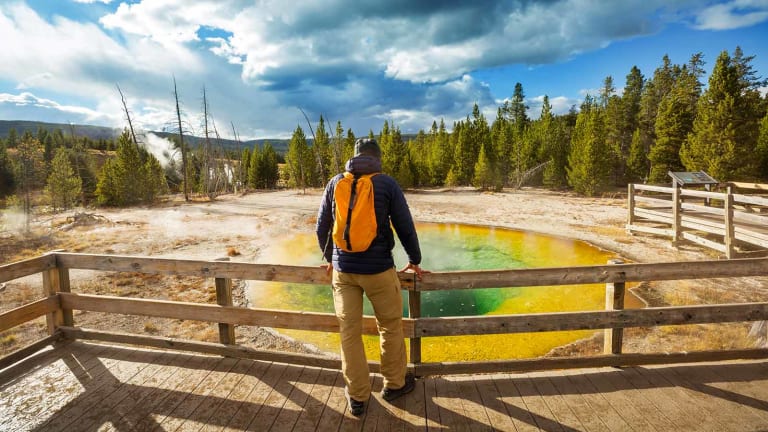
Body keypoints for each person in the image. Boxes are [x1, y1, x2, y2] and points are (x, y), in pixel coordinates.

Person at [316, 137, 426, 416]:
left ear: (354, 157)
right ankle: (394, 384)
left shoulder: (335, 182)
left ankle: (358, 397)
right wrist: (414, 259)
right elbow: (404, 226)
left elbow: (322, 228)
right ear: (377, 158)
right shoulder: (386, 183)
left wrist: (331, 259)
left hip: (344, 272)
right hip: (378, 270)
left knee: (349, 333)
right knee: (389, 326)